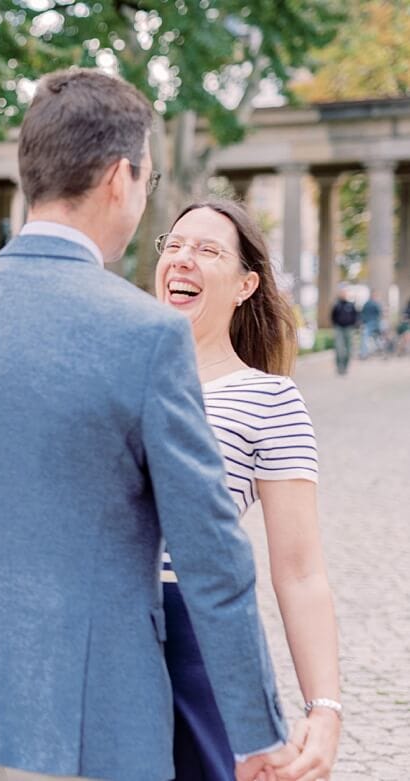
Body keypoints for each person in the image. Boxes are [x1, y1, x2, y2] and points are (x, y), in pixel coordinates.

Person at [0, 67, 294, 781]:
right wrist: (256, 732)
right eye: (149, 181)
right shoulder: (146, 335)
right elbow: (211, 552)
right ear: (120, 178)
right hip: (86, 711)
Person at [154, 199, 341, 781]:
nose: (183, 259)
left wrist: (325, 709)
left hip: (190, 636)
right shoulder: (109, 368)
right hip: (93, 626)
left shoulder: (270, 399)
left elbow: (301, 570)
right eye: (175, 245)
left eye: (207, 251)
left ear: (244, 285)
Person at [329, 288, 358, 375]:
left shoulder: (351, 305)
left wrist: (354, 325)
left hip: (349, 328)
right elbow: (332, 316)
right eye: (342, 293)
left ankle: (345, 367)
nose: (343, 295)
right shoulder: (336, 305)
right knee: (339, 348)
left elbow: (355, 316)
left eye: (345, 293)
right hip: (339, 328)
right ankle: (339, 367)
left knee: (349, 350)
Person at [359, 292, 382, 359]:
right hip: (373, 323)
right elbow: (379, 314)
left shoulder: (366, 304)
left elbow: (362, 314)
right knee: (374, 338)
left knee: (367, 338)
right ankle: (365, 353)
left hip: (368, 323)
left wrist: (363, 323)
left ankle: (364, 353)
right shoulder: (376, 304)